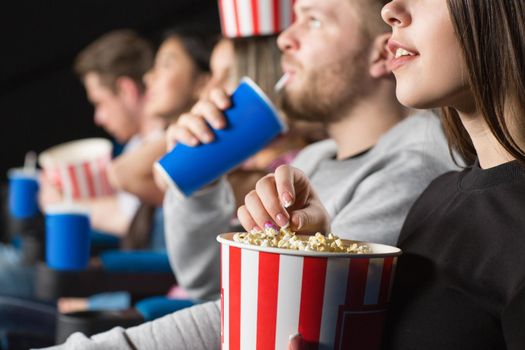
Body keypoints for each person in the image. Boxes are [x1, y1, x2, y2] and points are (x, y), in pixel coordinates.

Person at [44, 0, 457, 348]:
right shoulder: (315, 158)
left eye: (313, 20)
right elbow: (207, 281)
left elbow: (283, 314)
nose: (284, 39)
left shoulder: (413, 164)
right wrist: (203, 184)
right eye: (292, 17)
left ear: (383, 53)